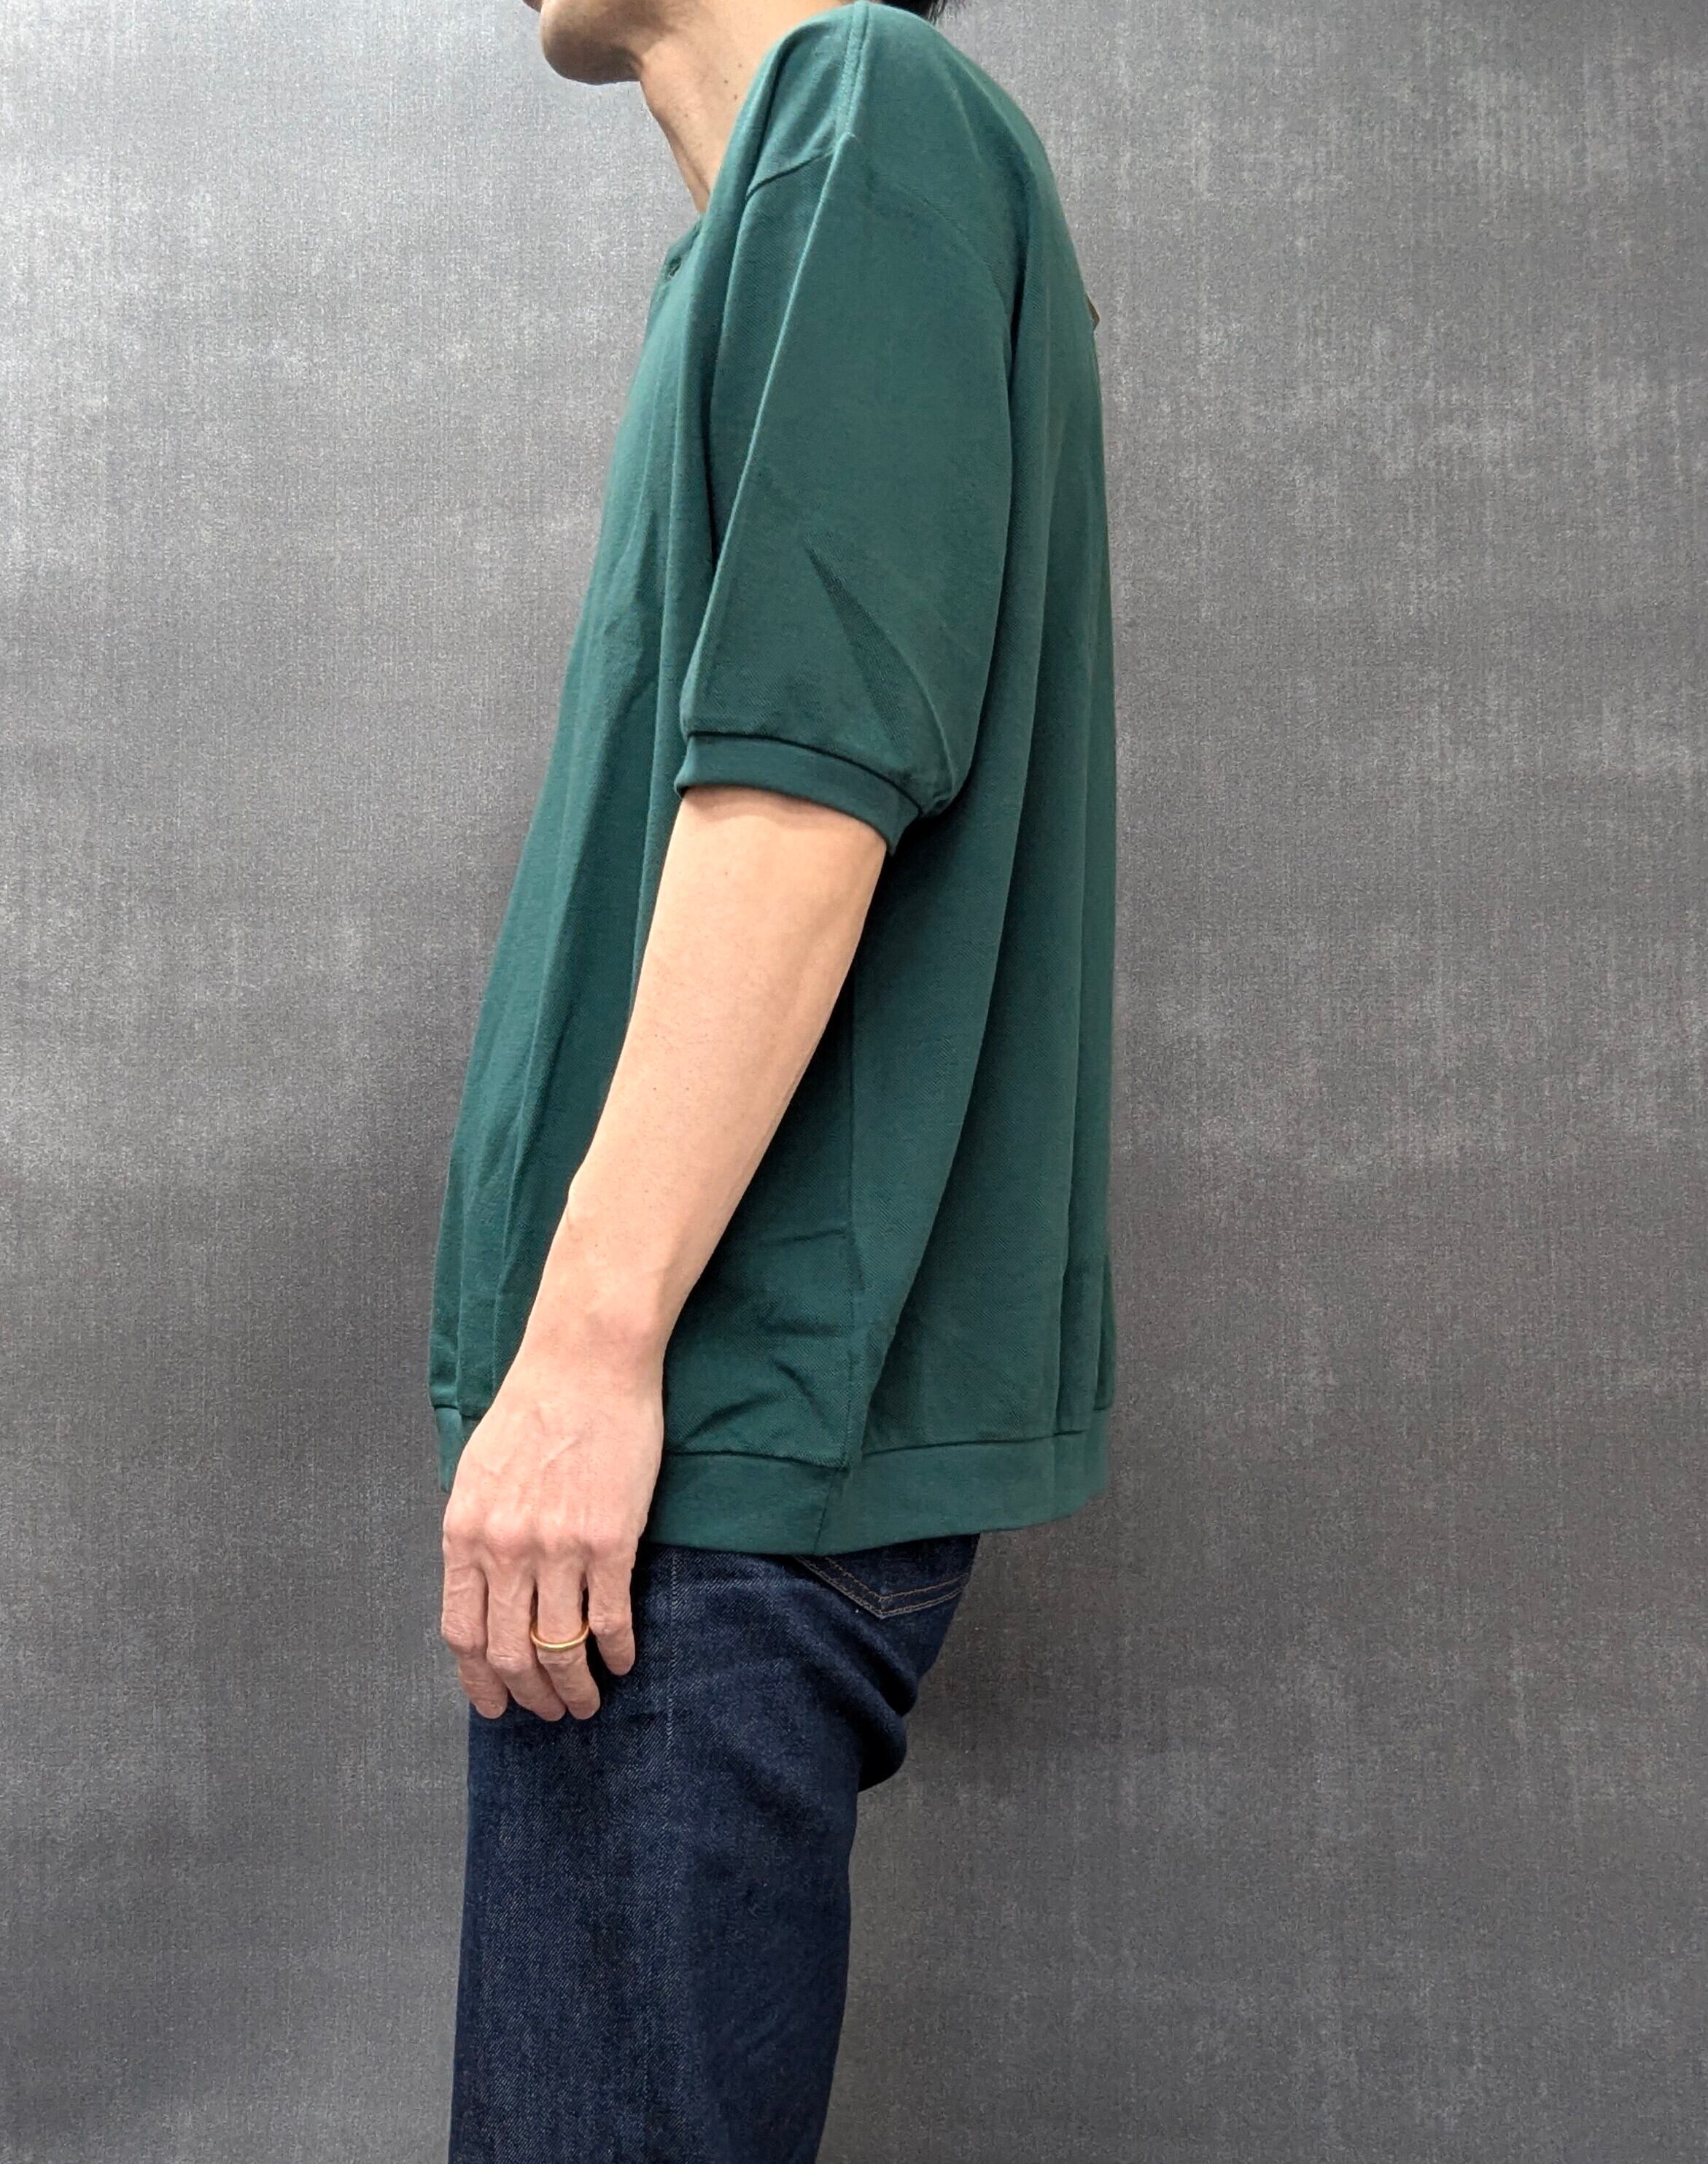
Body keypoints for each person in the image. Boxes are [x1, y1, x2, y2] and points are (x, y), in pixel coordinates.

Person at [427, 0, 1117, 2153]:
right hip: (692, 1457)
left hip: (701, 1452)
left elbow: (807, 796)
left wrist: (585, 1357)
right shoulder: (775, 215)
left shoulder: (870, 113)